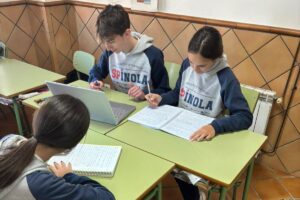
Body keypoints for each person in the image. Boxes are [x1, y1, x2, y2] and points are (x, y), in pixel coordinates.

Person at [145, 26, 253, 200]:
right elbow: (177, 93)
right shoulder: (187, 65)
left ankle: (197, 187)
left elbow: (244, 116)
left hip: (202, 137)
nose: (194, 69)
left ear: (216, 59)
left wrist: (215, 127)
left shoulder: (226, 78)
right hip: (179, 128)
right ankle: (193, 184)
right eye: (191, 62)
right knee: (153, 148)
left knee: (181, 166)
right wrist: (161, 98)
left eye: (201, 66)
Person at [0, 95, 115, 200]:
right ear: (70, 147)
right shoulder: (42, 184)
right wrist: (68, 176)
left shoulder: (9, 140)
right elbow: (107, 197)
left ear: (36, 120)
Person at [89, 4, 170, 100]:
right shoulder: (110, 52)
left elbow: (164, 90)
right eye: (104, 42)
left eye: (111, 41)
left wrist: (144, 94)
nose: (107, 47)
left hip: (146, 107)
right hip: (121, 105)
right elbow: (96, 71)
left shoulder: (153, 55)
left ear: (127, 33)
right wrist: (95, 81)